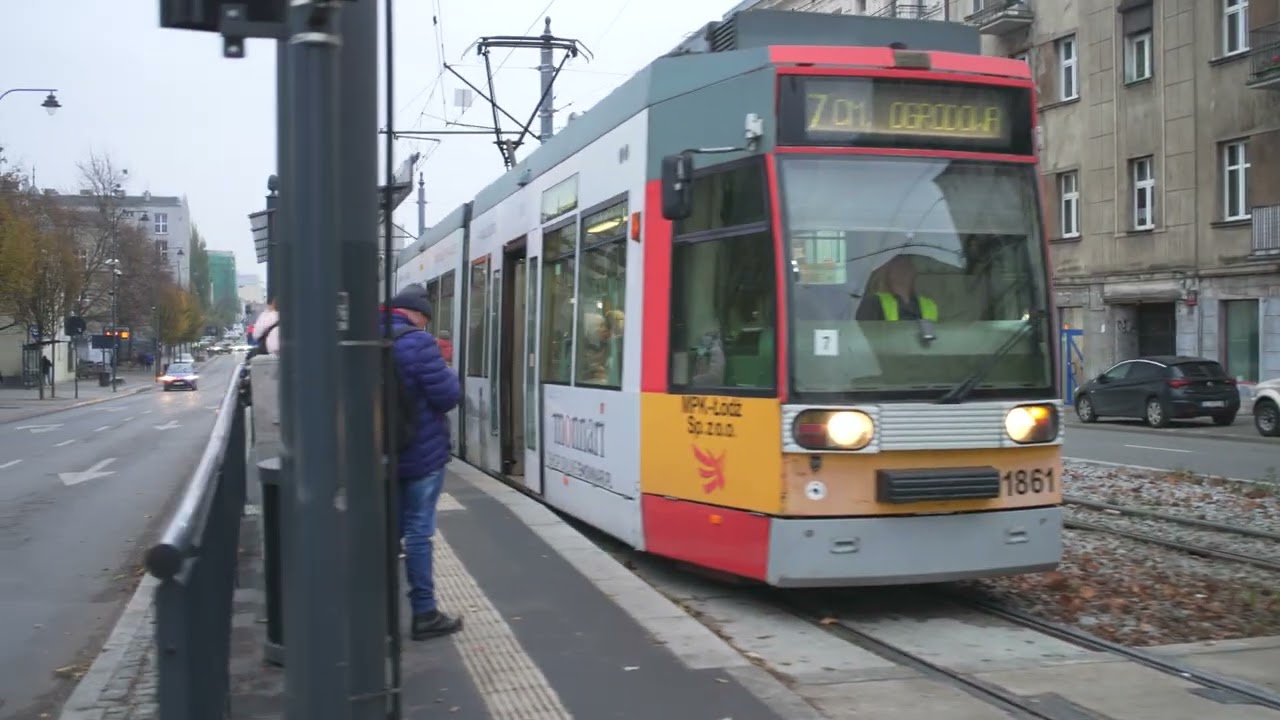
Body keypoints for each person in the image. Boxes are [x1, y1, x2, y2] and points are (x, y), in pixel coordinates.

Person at [384, 284, 463, 641]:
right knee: (418, 533)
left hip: (382, 453)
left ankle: (378, 612)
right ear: (418, 315)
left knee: (388, 531)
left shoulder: (366, 334)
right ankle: (424, 612)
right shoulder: (418, 343)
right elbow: (447, 396)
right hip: (420, 452)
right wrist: (448, 373)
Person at [856, 255, 939, 322]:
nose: (902, 269)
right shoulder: (873, 303)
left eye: (906, 263)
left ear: (914, 271)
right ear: (887, 271)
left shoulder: (929, 304)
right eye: (897, 263)